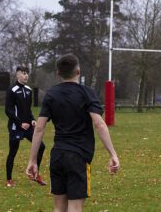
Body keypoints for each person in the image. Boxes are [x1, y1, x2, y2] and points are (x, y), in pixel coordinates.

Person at [26, 54, 120, 211]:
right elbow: (99, 124)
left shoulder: (51, 94)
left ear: (58, 74)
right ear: (78, 71)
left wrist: (33, 160)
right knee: (75, 208)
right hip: (78, 157)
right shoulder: (87, 93)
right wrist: (113, 154)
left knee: (59, 208)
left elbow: (40, 127)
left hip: (57, 155)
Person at [4, 66, 46, 188]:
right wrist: (19, 123)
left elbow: (27, 110)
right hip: (15, 126)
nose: (26, 75)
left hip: (28, 127)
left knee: (41, 146)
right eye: (23, 73)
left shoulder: (28, 90)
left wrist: (32, 120)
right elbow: (8, 111)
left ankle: (36, 175)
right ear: (17, 75)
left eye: (27, 73)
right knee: (13, 151)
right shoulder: (12, 90)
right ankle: (9, 180)